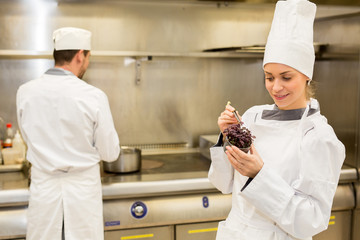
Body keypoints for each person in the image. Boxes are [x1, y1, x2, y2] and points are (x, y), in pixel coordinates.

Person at [208, 0, 345, 239]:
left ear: (306, 77)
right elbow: (223, 184)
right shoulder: (252, 116)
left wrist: (259, 175)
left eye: (286, 77)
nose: (276, 87)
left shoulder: (319, 137)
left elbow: (312, 220)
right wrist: (226, 138)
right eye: (269, 77)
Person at [16, 27, 120, 240]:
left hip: (44, 192)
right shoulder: (94, 96)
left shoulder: (25, 92)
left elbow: (28, 139)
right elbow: (110, 153)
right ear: (80, 55)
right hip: (83, 195)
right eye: (88, 57)